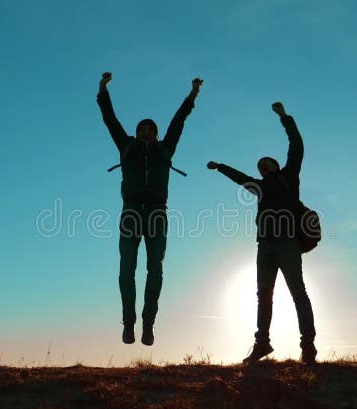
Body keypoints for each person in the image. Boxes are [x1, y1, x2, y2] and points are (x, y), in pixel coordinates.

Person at [207, 101, 317, 364]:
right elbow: (239, 177)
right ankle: (262, 345)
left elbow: (297, 147)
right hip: (265, 246)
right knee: (263, 297)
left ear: (276, 165)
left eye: (266, 163)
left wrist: (284, 117)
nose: (263, 166)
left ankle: (308, 347)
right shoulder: (258, 187)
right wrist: (221, 167)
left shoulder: (289, 175)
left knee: (298, 292)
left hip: (288, 244)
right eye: (259, 166)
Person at [97, 72, 202, 346]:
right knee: (126, 270)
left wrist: (192, 95)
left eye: (150, 128)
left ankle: (148, 323)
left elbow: (178, 122)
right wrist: (102, 90)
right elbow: (110, 120)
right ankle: (128, 323)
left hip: (157, 213)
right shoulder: (126, 146)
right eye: (142, 127)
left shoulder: (165, 148)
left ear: (156, 133)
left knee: (155, 269)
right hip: (131, 211)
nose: (146, 130)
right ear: (136, 131)